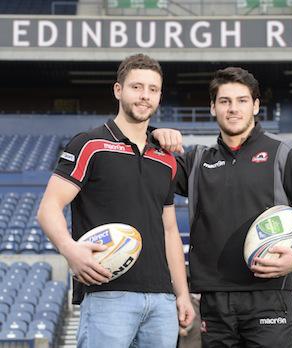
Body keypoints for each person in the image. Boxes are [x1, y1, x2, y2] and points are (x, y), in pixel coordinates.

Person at [152, 67, 292, 348]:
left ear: (256, 105)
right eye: (224, 101)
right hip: (214, 302)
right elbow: (147, 169)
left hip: (269, 297)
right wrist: (154, 135)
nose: (233, 108)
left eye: (242, 100)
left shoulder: (284, 153)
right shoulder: (196, 161)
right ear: (213, 108)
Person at [37, 53, 195, 348]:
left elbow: (170, 230)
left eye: (153, 89)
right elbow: (48, 208)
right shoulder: (90, 144)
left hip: (161, 301)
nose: (145, 96)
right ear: (118, 90)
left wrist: (181, 293)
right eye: (136, 87)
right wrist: (70, 250)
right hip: (108, 295)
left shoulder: (165, 158)